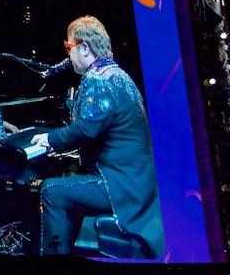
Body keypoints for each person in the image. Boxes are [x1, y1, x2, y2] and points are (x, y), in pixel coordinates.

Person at [30, 16, 165, 259]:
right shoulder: (117, 75)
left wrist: (49, 139)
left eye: (69, 47)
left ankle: (54, 262)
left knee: (51, 191)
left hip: (121, 186)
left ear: (84, 48)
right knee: (71, 186)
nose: (68, 56)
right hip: (137, 182)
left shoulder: (99, 79)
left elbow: (86, 129)